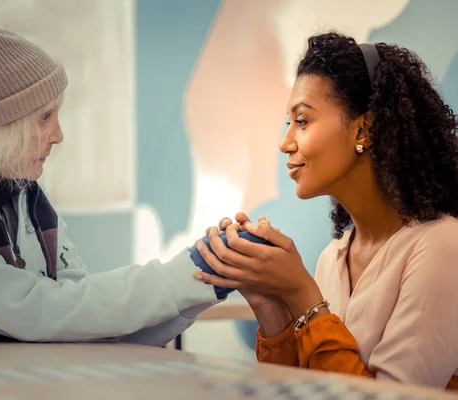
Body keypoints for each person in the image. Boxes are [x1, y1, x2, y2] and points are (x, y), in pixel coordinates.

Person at [0, 20, 227, 346]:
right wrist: (190, 275)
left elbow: (79, 321)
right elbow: (36, 310)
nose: (58, 135)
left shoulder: (18, 195)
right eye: (45, 116)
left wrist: (201, 282)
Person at [193, 32, 458, 390]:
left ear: (363, 128)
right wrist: (268, 300)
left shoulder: (443, 247)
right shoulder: (331, 260)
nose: (285, 143)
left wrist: (302, 294)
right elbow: (297, 390)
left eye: (301, 122)